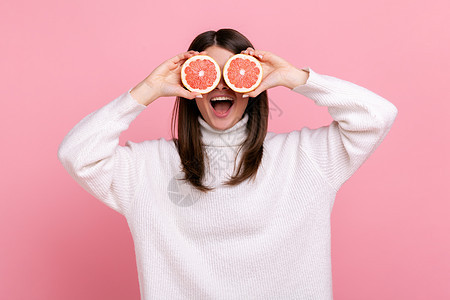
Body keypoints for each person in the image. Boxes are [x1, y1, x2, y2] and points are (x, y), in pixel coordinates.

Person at [57, 28, 398, 299]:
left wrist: (295, 77)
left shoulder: (306, 158)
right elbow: (77, 154)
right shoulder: (148, 168)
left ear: (253, 85)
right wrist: (148, 89)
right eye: (207, 73)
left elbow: (377, 116)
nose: (220, 83)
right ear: (188, 87)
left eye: (233, 72)